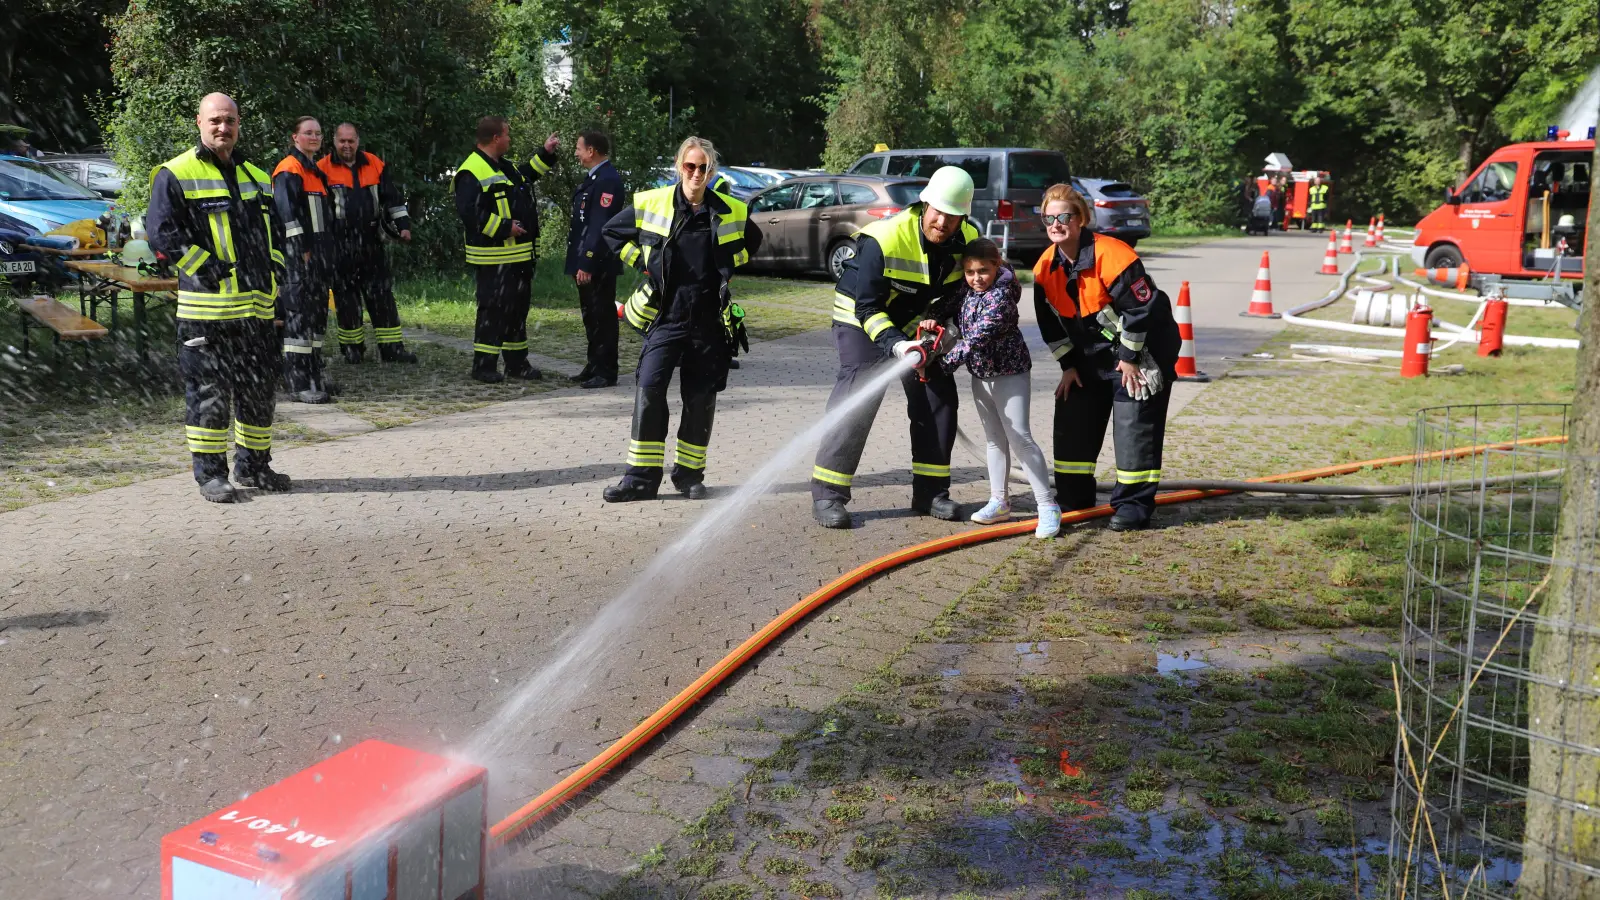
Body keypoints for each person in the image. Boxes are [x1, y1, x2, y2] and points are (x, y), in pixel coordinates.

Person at [810, 166, 980, 529]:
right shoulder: (883, 239)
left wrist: (939, 327)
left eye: (953, 216)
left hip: (914, 324)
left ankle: (931, 493)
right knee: (859, 394)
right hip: (861, 321)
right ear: (925, 205)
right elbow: (866, 307)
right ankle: (829, 495)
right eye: (938, 212)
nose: (943, 222)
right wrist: (898, 346)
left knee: (938, 395)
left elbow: (960, 291)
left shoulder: (969, 238)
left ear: (963, 216)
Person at [599, 136, 761, 502]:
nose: (697, 174)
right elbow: (610, 232)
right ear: (679, 167)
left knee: (700, 398)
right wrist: (641, 262)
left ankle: (689, 477)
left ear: (711, 170)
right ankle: (640, 480)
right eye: (691, 166)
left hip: (708, 321)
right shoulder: (652, 202)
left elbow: (754, 241)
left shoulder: (730, 209)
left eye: (704, 167)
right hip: (665, 317)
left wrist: (731, 265)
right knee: (650, 389)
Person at [148, 92, 290, 502]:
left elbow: (275, 232)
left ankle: (254, 466)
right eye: (214, 120)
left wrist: (275, 269)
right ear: (199, 122)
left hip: (257, 311)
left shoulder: (258, 176)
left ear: (238, 124)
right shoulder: (175, 173)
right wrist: (205, 267)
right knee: (209, 396)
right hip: (205, 313)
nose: (222, 127)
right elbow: (162, 233)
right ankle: (211, 476)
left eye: (229, 120)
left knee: (258, 393)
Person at [1032, 183, 1179, 531]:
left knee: (1133, 430)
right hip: (1088, 360)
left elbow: (1141, 310)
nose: (1056, 224)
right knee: (1073, 423)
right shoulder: (1045, 268)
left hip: (1142, 354)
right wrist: (1068, 367)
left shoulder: (1114, 255)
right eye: (1048, 218)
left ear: (1080, 218)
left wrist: (1129, 358)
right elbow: (1049, 324)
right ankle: (1073, 499)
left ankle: (1133, 506)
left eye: (1063, 216)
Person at [925, 238, 1060, 538]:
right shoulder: (969, 288)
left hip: (1009, 374)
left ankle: (1047, 506)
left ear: (997, 265)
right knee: (994, 441)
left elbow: (974, 340)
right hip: (981, 375)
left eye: (983, 271)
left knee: (1020, 439)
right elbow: (949, 303)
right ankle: (999, 501)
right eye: (970, 272)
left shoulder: (1000, 298)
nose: (976, 278)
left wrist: (939, 366)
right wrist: (931, 319)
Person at [452, 116, 559, 383]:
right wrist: (505, 227)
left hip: (519, 257)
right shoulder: (471, 170)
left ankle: (516, 364)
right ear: (496, 138)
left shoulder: (502, 165)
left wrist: (544, 154)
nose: (510, 140)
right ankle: (484, 366)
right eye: (507, 135)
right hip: (493, 258)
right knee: (493, 311)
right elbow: (471, 214)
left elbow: (526, 176)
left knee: (516, 312)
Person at [317, 122, 418, 365]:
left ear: (358, 141)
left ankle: (392, 348)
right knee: (346, 298)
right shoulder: (322, 168)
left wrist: (403, 226)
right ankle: (352, 349)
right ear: (334, 141)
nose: (347, 145)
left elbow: (393, 200)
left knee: (381, 295)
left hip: (372, 239)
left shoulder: (375, 163)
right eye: (342, 141)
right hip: (340, 242)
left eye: (351, 140)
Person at [272, 116, 337, 403]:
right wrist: (301, 249)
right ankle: (297, 382)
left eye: (318, 133)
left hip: (319, 256)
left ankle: (314, 374)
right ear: (294, 137)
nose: (314, 137)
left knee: (317, 315)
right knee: (298, 316)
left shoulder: (315, 171)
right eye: (308, 133)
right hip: (299, 257)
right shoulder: (290, 169)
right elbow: (287, 215)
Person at [565, 128, 625, 388]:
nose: (577, 153)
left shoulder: (607, 180)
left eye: (579, 148)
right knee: (591, 315)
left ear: (591, 151)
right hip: (586, 261)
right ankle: (594, 364)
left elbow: (599, 225)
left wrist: (587, 262)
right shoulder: (594, 179)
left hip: (598, 263)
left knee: (603, 317)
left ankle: (606, 370)